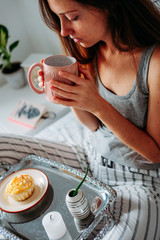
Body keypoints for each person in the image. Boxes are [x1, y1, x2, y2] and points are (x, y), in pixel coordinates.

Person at [0, 0, 160, 239]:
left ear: (111, 5)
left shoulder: (155, 62)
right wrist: (69, 96)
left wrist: (98, 104)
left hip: (137, 179)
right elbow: (92, 125)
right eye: (59, 18)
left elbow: (155, 154)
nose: (64, 30)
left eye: (72, 17)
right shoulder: (90, 48)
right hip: (88, 157)